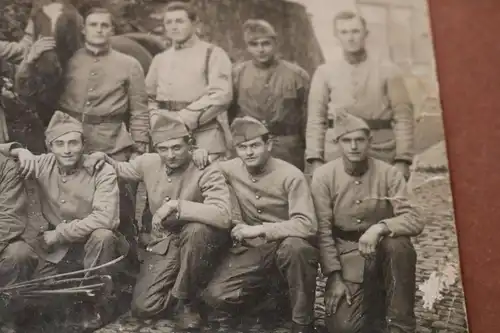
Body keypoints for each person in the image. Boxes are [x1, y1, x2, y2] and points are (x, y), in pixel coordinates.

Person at [18, 6, 149, 265]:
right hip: (71, 141)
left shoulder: (129, 65)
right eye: (93, 25)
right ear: (83, 29)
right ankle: (72, 263)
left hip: (112, 143)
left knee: (121, 210)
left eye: (104, 25)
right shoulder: (70, 59)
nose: (99, 30)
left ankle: (126, 267)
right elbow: (32, 89)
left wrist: (139, 147)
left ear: (112, 30)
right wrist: (28, 60)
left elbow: (139, 110)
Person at [90, 112, 231, 331]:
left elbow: (223, 215)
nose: (170, 155)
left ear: (189, 145)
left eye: (177, 147)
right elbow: (121, 169)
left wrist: (177, 205)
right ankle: (194, 291)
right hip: (167, 242)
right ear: (155, 149)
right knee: (144, 307)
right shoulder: (149, 162)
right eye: (163, 149)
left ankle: (187, 301)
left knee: (197, 230)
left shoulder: (205, 168)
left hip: (200, 241)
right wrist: (103, 157)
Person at [0, 111, 127, 330]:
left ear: (83, 144)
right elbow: (3, 159)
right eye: (59, 144)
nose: (67, 150)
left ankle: (98, 307)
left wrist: (59, 234)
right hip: (57, 251)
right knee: (40, 294)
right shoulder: (41, 164)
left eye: (73, 143)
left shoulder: (101, 170)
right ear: (50, 146)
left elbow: (105, 218)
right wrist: (16, 149)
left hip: (92, 243)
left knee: (103, 236)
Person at [310, 110, 423, 333]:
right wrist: (333, 277)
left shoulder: (389, 174)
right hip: (348, 257)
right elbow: (322, 230)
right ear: (337, 143)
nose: (354, 146)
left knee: (399, 246)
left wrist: (381, 227)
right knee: (344, 328)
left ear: (369, 142)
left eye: (360, 140)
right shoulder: (324, 176)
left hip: (383, 254)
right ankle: (375, 304)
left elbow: (415, 217)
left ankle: (401, 324)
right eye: (347, 140)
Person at [202, 116, 318, 333]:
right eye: (242, 147)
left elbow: (307, 225)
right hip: (253, 250)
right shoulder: (230, 168)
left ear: (269, 145)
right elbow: (205, 167)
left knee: (297, 248)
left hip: (285, 244)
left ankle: (302, 322)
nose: (249, 152)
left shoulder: (290, 176)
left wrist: (261, 229)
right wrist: (198, 155)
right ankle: (271, 302)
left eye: (255, 145)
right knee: (216, 296)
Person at [306, 11, 414, 180]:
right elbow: (316, 119)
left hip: (380, 148)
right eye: (344, 32)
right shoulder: (324, 72)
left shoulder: (388, 70)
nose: (350, 38)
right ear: (336, 36)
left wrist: (403, 159)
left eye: (355, 31)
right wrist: (315, 158)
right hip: (337, 151)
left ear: (365, 33)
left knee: (381, 201)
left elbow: (403, 117)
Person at [145, 1, 233, 162]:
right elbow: (149, 97)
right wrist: (155, 119)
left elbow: (221, 96)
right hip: (167, 138)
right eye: (169, 22)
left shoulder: (213, 54)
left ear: (194, 23)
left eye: (180, 21)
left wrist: (183, 119)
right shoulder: (160, 59)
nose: (174, 27)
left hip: (204, 137)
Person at [228, 19, 310, 171]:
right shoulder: (237, 75)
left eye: (266, 43)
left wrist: (309, 151)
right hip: (250, 146)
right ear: (247, 47)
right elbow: (230, 115)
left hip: (287, 147)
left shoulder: (297, 75)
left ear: (275, 43)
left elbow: (307, 117)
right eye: (254, 44)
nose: (261, 49)